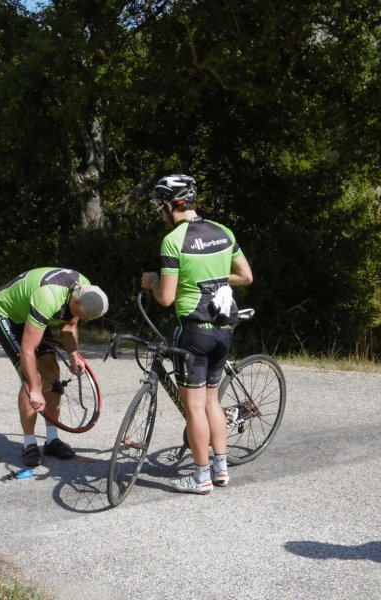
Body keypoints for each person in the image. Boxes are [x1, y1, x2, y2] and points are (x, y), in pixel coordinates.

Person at [141, 174, 253, 494]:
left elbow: (166, 298)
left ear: (170, 204)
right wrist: (216, 280)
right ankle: (220, 468)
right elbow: (246, 276)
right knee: (212, 402)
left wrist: (151, 282)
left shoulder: (174, 240)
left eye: (160, 206)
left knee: (194, 407)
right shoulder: (223, 231)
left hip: (192, 331)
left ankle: (200, 476)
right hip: (223, 331)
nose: (159, 212)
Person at [0, 267, 109, 467]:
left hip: (34, 315)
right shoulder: (48, 296)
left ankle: (52, 440)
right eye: (86, 315)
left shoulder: (85, 287)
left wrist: (73, 355)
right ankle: (29, 443)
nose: (86, 320)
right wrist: (35, 390)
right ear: (77, 301)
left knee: (53, 375)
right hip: (7, 314)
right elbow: (28, 349)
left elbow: (69, 325)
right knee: (31, 377)